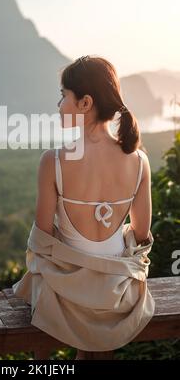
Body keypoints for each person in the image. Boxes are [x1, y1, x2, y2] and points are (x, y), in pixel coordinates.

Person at [34, 55, 152, 359]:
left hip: (69, 294)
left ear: (85, 103)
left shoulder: (54, 161)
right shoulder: (139, 161)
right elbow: (141, 233)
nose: (58, 105)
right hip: (118, 297)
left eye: (63, 96)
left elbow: (42, 237)